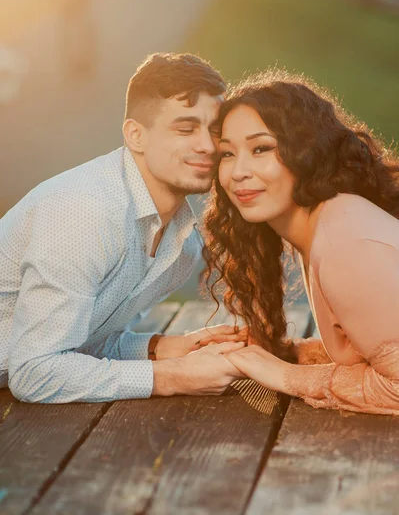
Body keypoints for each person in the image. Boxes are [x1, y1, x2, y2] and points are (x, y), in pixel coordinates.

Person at [0, 52, 246, 403]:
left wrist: (163, 347)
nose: (207, 146)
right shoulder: (86, 210)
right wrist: (172, 376)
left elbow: (80, 338)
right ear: (136, 135)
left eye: (215, 130)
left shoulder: (182, 245)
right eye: (185, 128)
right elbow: (35, 372)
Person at [202, 69, 399, 415]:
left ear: (307, 152)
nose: (237, 172)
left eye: (261, 148)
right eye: (227, 154)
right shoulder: (328, 223)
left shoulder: (347, 249)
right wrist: (287, 352)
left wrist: (286, 375)